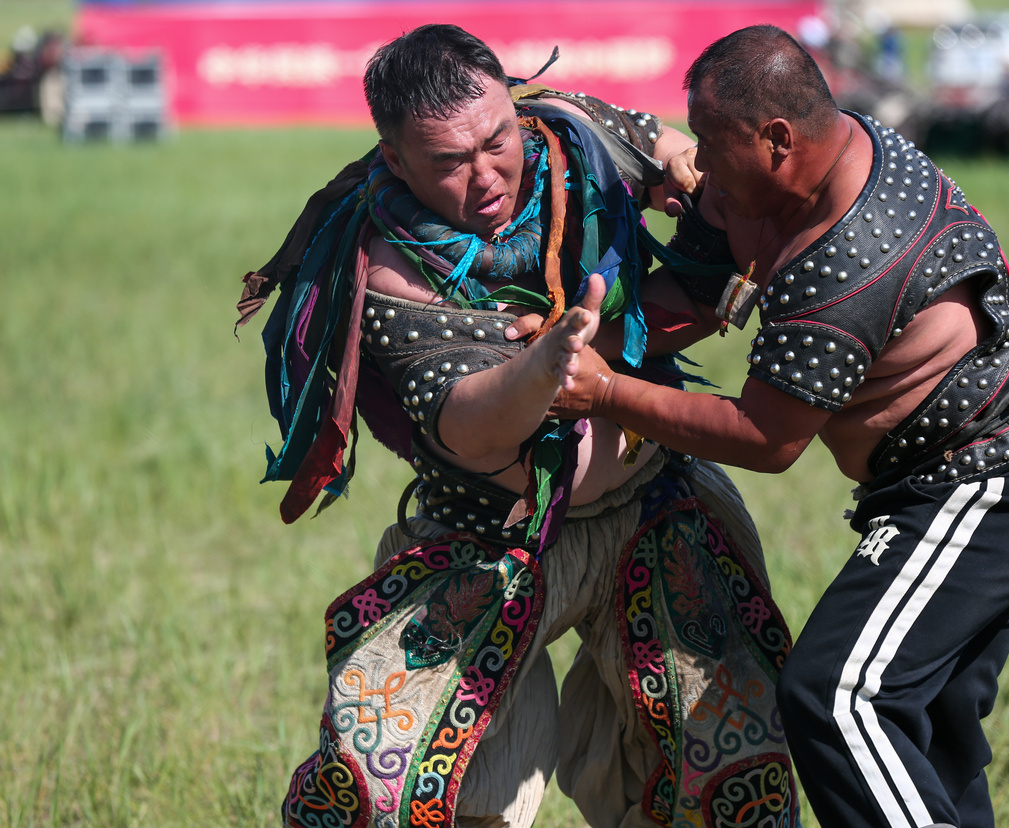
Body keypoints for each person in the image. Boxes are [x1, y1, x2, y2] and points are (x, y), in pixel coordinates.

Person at [235, 24, 801, 828]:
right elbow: (467, 425)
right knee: (396, 784)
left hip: (654, 505)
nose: (486, 173)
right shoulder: (389, 263)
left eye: (495, 139)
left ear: (513, 107)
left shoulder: (570, 134)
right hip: (485, 536)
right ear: (396, 161)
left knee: (723, 768)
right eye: (448, 162)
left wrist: (687, 169)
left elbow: (672, 150)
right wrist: (549, 367)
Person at [553, 25, 1009, 828]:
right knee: (926, 731)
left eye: (710, 142)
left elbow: (766, 439)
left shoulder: (850, 253)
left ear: (776, 140)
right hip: (941, 486)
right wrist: (566, 333)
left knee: (839, 698)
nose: (697, 162)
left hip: (988, 490)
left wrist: (603, 392)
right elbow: (694, 296)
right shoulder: (771, 183)